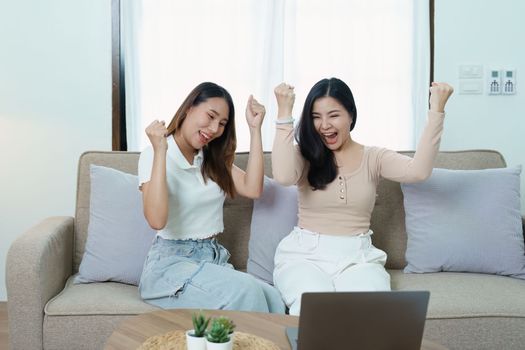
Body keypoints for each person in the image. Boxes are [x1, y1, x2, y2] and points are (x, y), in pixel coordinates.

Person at [271, 78, 454, 315]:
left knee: (366, 315)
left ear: (351, 115)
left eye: (334, 115)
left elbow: (418, 171)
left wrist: (436, 111)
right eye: (316, 117)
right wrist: (284, 113)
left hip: (357, 259)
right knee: (316, 311)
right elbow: (284, 176)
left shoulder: (374, 157)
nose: (324, 125)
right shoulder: (304, 155)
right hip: (305, 257)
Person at [138, 81, 284, 313]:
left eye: (222, 123)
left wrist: (255, 129)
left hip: (211, 258)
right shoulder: (154, 154)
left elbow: (253, 189)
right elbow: (156, 220)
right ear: (189, 109)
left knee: (273, 297)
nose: (215, 128)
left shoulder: (210, 158)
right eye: (211, 116)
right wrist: (160, 152)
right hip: (170, 265)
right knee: (246, 290)